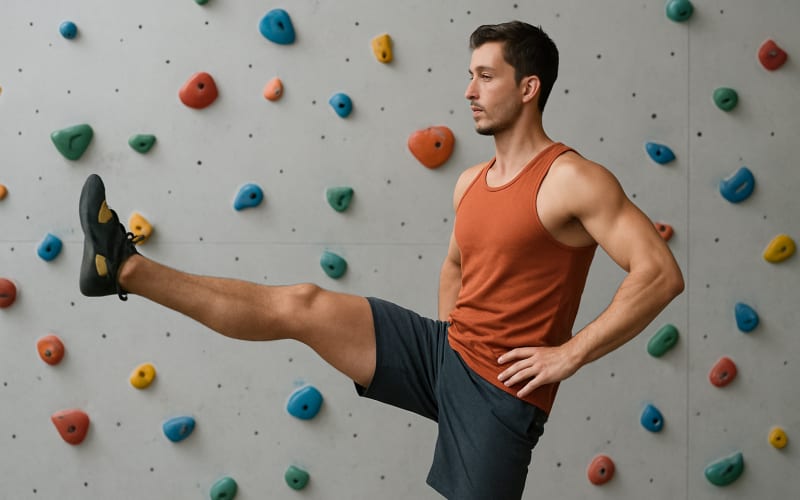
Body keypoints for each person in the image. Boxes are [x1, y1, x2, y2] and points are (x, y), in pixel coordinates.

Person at [78, 21, 683, 500]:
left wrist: (570, 354)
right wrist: (449, 343)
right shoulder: (472, 181)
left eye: (485, 77)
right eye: (469, 76)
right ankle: (124, 268)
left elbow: (659, 273)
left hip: (503, 388)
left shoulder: (572, 179)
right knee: (303, 304)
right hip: (445, 353)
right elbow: (455, 266)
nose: (469, 91)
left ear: (528, 88)